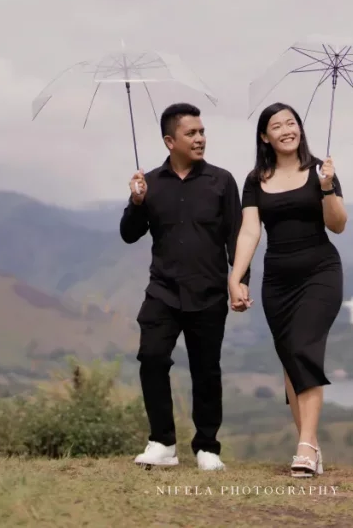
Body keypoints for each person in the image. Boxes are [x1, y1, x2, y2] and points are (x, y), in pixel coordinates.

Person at [119, 102, 248, 471]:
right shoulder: (150, 183)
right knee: (152, 358)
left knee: (206, 369)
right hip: (162, 291)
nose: (200, 138)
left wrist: (239, 281)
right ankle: (162, 443)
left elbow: (236, 235)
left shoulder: (221, 181)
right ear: (169, 141)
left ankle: (207, 447)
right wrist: (137, 202)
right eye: (191, 133)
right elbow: (129, 234)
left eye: (202, 131)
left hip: (208, 293)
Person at [226, 101, 348, 478]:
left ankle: (306, 447)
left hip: (320, 273)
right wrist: (236, 277)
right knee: (290, 360)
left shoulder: (321, 171)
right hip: (277, 281)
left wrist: (327, 188)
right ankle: (309, 446)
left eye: (291, 123)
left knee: (303, 350)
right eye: (276, 126)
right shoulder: (255, 179)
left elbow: (338, 224)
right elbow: (250, 231)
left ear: (300, 128)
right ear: (265, 136)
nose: (286, 130)